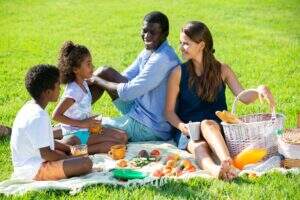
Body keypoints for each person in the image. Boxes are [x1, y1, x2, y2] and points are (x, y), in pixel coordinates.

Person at [164, 21, 275, 180]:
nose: (181, 48)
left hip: (216, 129)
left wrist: (260, 90)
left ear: (201, 45)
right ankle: (217, 171)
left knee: (207, 124)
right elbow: (168, 112)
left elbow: (244, 97)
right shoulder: (178, 73)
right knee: (199, 147)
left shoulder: (222, 69)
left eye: (186, 44)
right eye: (180, 43)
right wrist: (183, 127)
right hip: (189, 131)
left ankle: (226, 162)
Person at [89, 11, 180, 142]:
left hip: (151, 126)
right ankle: (75, 111)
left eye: (153, 33)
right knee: (105, 72)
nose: (147, 36)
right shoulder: (150, 50)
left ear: (165, 34)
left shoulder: (163, 59)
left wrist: (97, 81)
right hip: (139, 108)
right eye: (144, 30)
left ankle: (67, 125)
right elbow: (126, 77)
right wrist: (100, 78)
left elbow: (128, 92)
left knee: (92, 125)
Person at [10, 64, 92, 181]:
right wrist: (66, 158)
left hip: (33, 162)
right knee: (86, 163)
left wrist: (69, 149)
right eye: (58, 85)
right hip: (34, 170)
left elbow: (45, 141)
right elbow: (46, 154)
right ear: (48, 92)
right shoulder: (38, 116)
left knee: (76, 148)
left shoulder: (30, 107)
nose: (60, 89)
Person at [52, 41, 127, 154]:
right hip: (77, 134)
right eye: (88, 64)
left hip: (87, 130)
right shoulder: (73, 91)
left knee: (123, 137)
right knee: (115, 144)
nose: (92, 67)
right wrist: (82, 123)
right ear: (76, 70)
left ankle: (74, 148)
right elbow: (56, 115)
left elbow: (89, 83)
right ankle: (74, 150)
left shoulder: (83, 83)